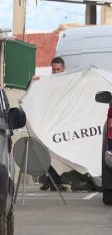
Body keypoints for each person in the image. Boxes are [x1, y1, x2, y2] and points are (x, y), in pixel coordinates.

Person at [39, 57, 67, 191]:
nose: (56, 72)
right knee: (48, 152)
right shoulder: (48, 82)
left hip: (64, 123)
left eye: (58, 69)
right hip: (51, 124)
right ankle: (52, 180)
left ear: (63, 68)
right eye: (54, 70)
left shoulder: (69, 82)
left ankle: (55, 180)